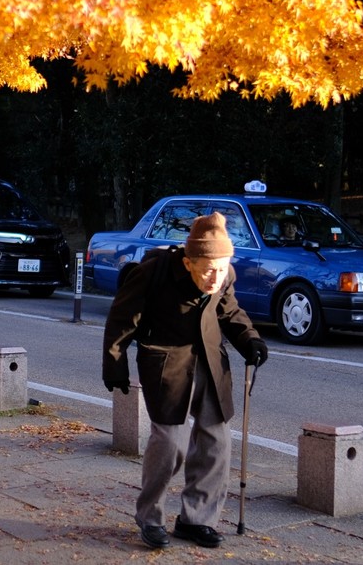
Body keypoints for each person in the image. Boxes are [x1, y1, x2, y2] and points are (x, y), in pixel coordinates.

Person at [102, 212, 269, 549]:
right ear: (189, 261)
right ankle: (150, 517)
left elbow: (229, 310)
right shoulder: (153, 271)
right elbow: (122, 318)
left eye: (221, 269)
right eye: (208, 269)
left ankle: (196, 520)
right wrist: (114, 364)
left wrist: (250, 340)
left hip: (209, 359)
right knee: (169, 445)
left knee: (216, 442)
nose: (215, 277)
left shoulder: (224, 274)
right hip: (166, 362)